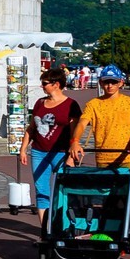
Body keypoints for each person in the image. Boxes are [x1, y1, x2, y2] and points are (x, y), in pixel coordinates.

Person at [21, 68, 80, 215]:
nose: (42, 86)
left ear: (56, 84)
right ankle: (45, 230)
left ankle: (64, 227)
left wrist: (71, 155)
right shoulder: (40, 103)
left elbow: (75, 132)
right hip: (39, 152)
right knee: (41, 190)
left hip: (61, 153)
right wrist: (23, 149)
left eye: (45, 83)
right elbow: (31, 128)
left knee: (64, 190)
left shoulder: (71, 104)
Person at [66, 65, 130, 172]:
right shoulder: (93, 104)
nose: (110, 86)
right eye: (106, 82)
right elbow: (81, 124)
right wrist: (75, 142)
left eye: (114, 82)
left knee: (129, 187)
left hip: (128, 156)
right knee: (106, 188)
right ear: (101, 83)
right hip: (103, 157)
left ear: (121, 83)